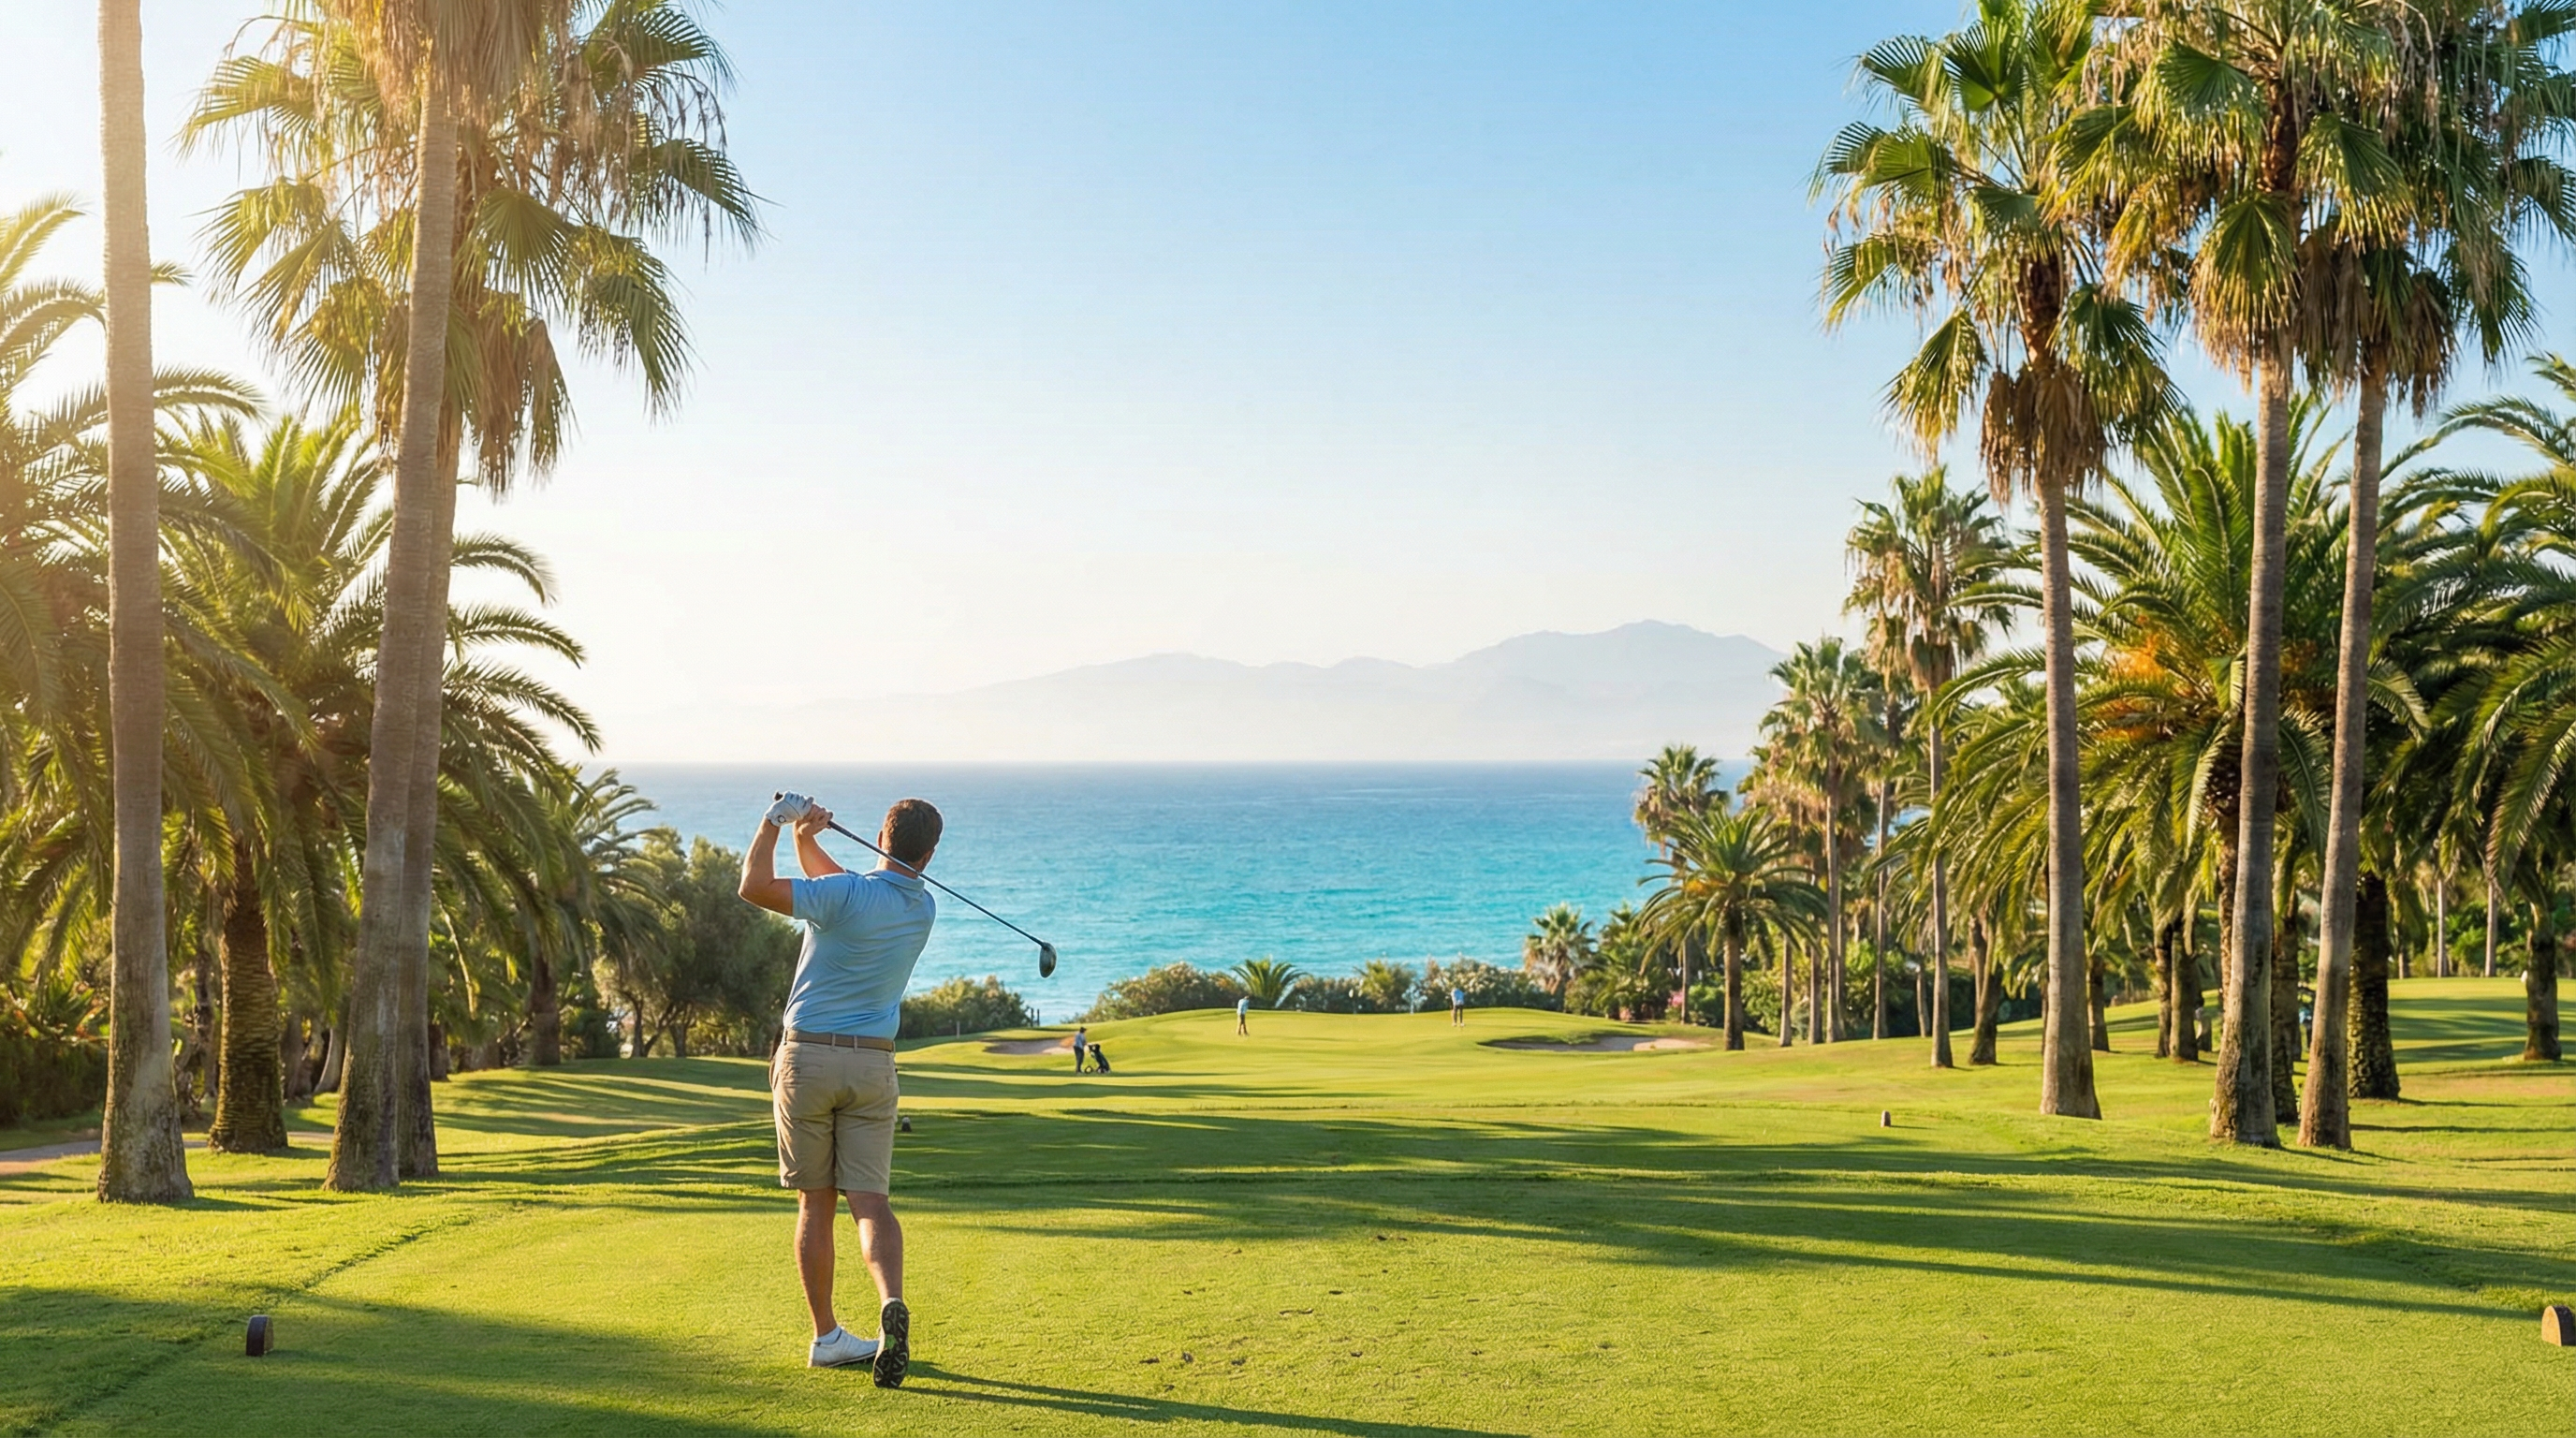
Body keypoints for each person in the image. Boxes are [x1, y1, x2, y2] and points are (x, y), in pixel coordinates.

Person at [739, 793, 942, 1387]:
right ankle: (890, 1302)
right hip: (874, 1067)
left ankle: (827, 1336)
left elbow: (754, 887)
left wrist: (775, 823)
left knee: (815, 1202)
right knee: (871, 1203)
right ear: (929, 854)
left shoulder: (847, 896)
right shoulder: (922, 908)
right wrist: (809, 839)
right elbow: (841, 893)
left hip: (809, 1060)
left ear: (881, 835)